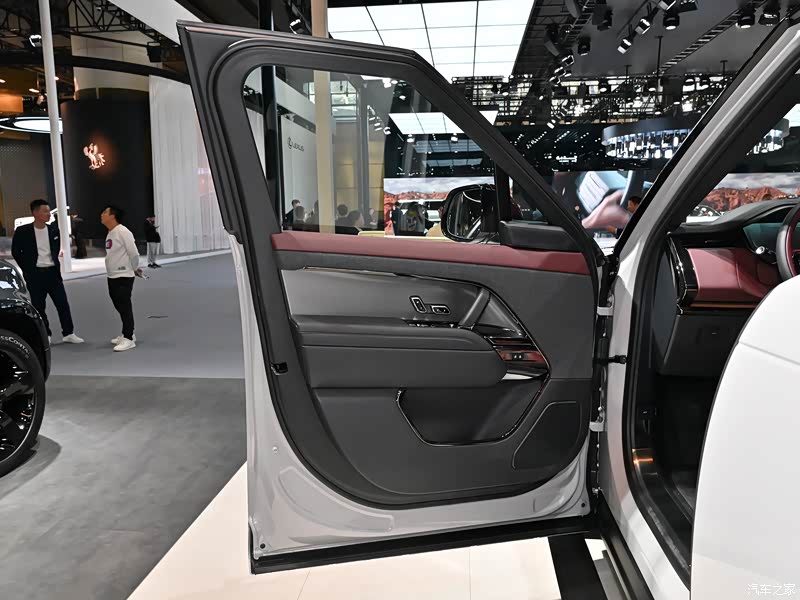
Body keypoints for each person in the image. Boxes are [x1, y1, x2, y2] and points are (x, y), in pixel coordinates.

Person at [12, 200, 84, 344]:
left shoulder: (53, 230)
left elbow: (55, 249)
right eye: (45, 211)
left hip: (52, 273)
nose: (48, 214)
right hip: (35, 275)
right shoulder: (23, 231)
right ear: (35, 213)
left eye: (48, 211)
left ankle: (68, 333)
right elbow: (16, 252)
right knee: (39, 306)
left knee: (62, 303)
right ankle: (46, 334)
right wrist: (27, 268)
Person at [101, 205, 142, 352]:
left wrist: (134, 268)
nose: (102, 214)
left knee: (124, 306)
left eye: (105, 212)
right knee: (118, 304)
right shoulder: (111, 233)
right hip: (112, 275)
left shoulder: (123, 231)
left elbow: (134, 253)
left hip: (123, 275)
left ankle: (129, 338)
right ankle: (128, 332)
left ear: (112, 216)